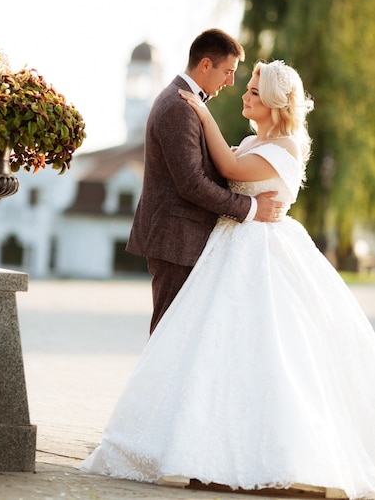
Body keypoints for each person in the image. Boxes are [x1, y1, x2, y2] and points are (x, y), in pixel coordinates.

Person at [81, 60, 375, 499]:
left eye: (253, 92)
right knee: (216, 347)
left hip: (264, 251)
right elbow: (225, 168)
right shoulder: (255, 139)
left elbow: (231, 170)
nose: (244, 95)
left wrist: (202, 115)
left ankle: (274, 456)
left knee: (269, 347)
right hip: (232, 246)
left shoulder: (284, 148)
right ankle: (198, 445)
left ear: (275, 101)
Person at [126, 28, 284, 333]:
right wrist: (251, 208)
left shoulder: (185, 102)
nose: (230, 82)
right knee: (168, 335)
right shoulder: (177, 107)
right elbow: (191, 184)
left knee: (180, 336)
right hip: (177, 241)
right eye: (228, 71)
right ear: (206, 65)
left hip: (183, 240)